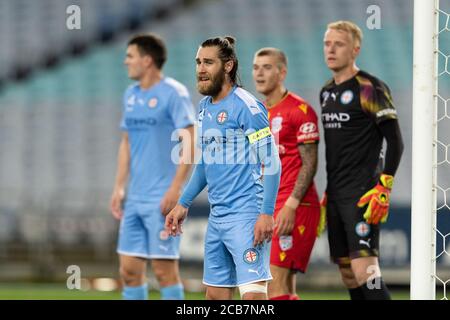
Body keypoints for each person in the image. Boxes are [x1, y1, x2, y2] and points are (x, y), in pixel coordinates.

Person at [165, 36, 281, 300]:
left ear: (228, 66)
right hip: (218, 218)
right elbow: (207, 161)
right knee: (215, 297)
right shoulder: (204, 107)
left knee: (252, 298)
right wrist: (183, 202)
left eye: (208, 62)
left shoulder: (247, 106)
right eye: (198, 62)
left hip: (247, 215)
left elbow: (272, 161)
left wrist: (266, 214)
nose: (200, 69)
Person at [320, 21, 404, 300]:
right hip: (335, 195)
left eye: (338, 44)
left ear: (355, 49)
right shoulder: (326, 92)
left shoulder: (370, 88)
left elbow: (395, 141)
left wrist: (384, 186)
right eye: (327, 43)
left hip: (362, 195)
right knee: (348, 273)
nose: (330, 49)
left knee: (366, 273)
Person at [110, 33, 195, 300]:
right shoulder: (130, 95)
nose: (125, 62)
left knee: (163, 271)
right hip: (135, 198)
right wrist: (119, 187)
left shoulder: (174, 93)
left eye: (130, 56)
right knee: (129, 271)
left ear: (147, 61)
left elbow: (191, 142)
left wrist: (176, 188)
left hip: (162, 197)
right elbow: (126, 142)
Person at [252, 48, 324, 300]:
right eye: (256, 67)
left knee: (273, 286)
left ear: (282, 72)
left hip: (294, 205)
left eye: (267, 67)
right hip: (268, 207)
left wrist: (291, 206)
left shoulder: (300, 111)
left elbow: (310, 163)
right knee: (280, 287)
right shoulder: (256, 114)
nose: (259, 73)